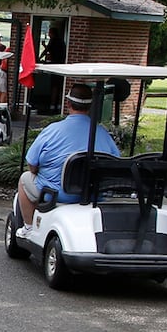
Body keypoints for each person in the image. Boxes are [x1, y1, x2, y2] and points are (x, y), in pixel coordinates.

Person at [15, 83, 120, 239]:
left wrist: (37, 170)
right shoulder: (102, 132)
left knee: (24, 179)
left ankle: (29, 226)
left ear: (68, 103)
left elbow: (32, 163)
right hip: (93, 193)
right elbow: (115, 162)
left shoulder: (52, 130)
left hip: (58, 193)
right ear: (90, 106)